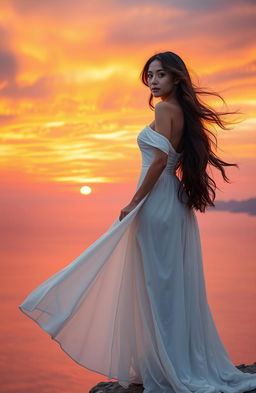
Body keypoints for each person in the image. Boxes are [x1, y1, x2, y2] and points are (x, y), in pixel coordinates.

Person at [18, 51, 256, 393]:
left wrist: (133, 202)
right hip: (171, 203)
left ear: (176, 78)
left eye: (160, 74)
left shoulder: (163, 109)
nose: (153, 81)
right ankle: (168, 361)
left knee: (156, 286)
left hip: (157, 201)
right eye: (149, 75)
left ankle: (167, 364)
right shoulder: (180, 112)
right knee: (165, 287)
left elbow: (159, 161)